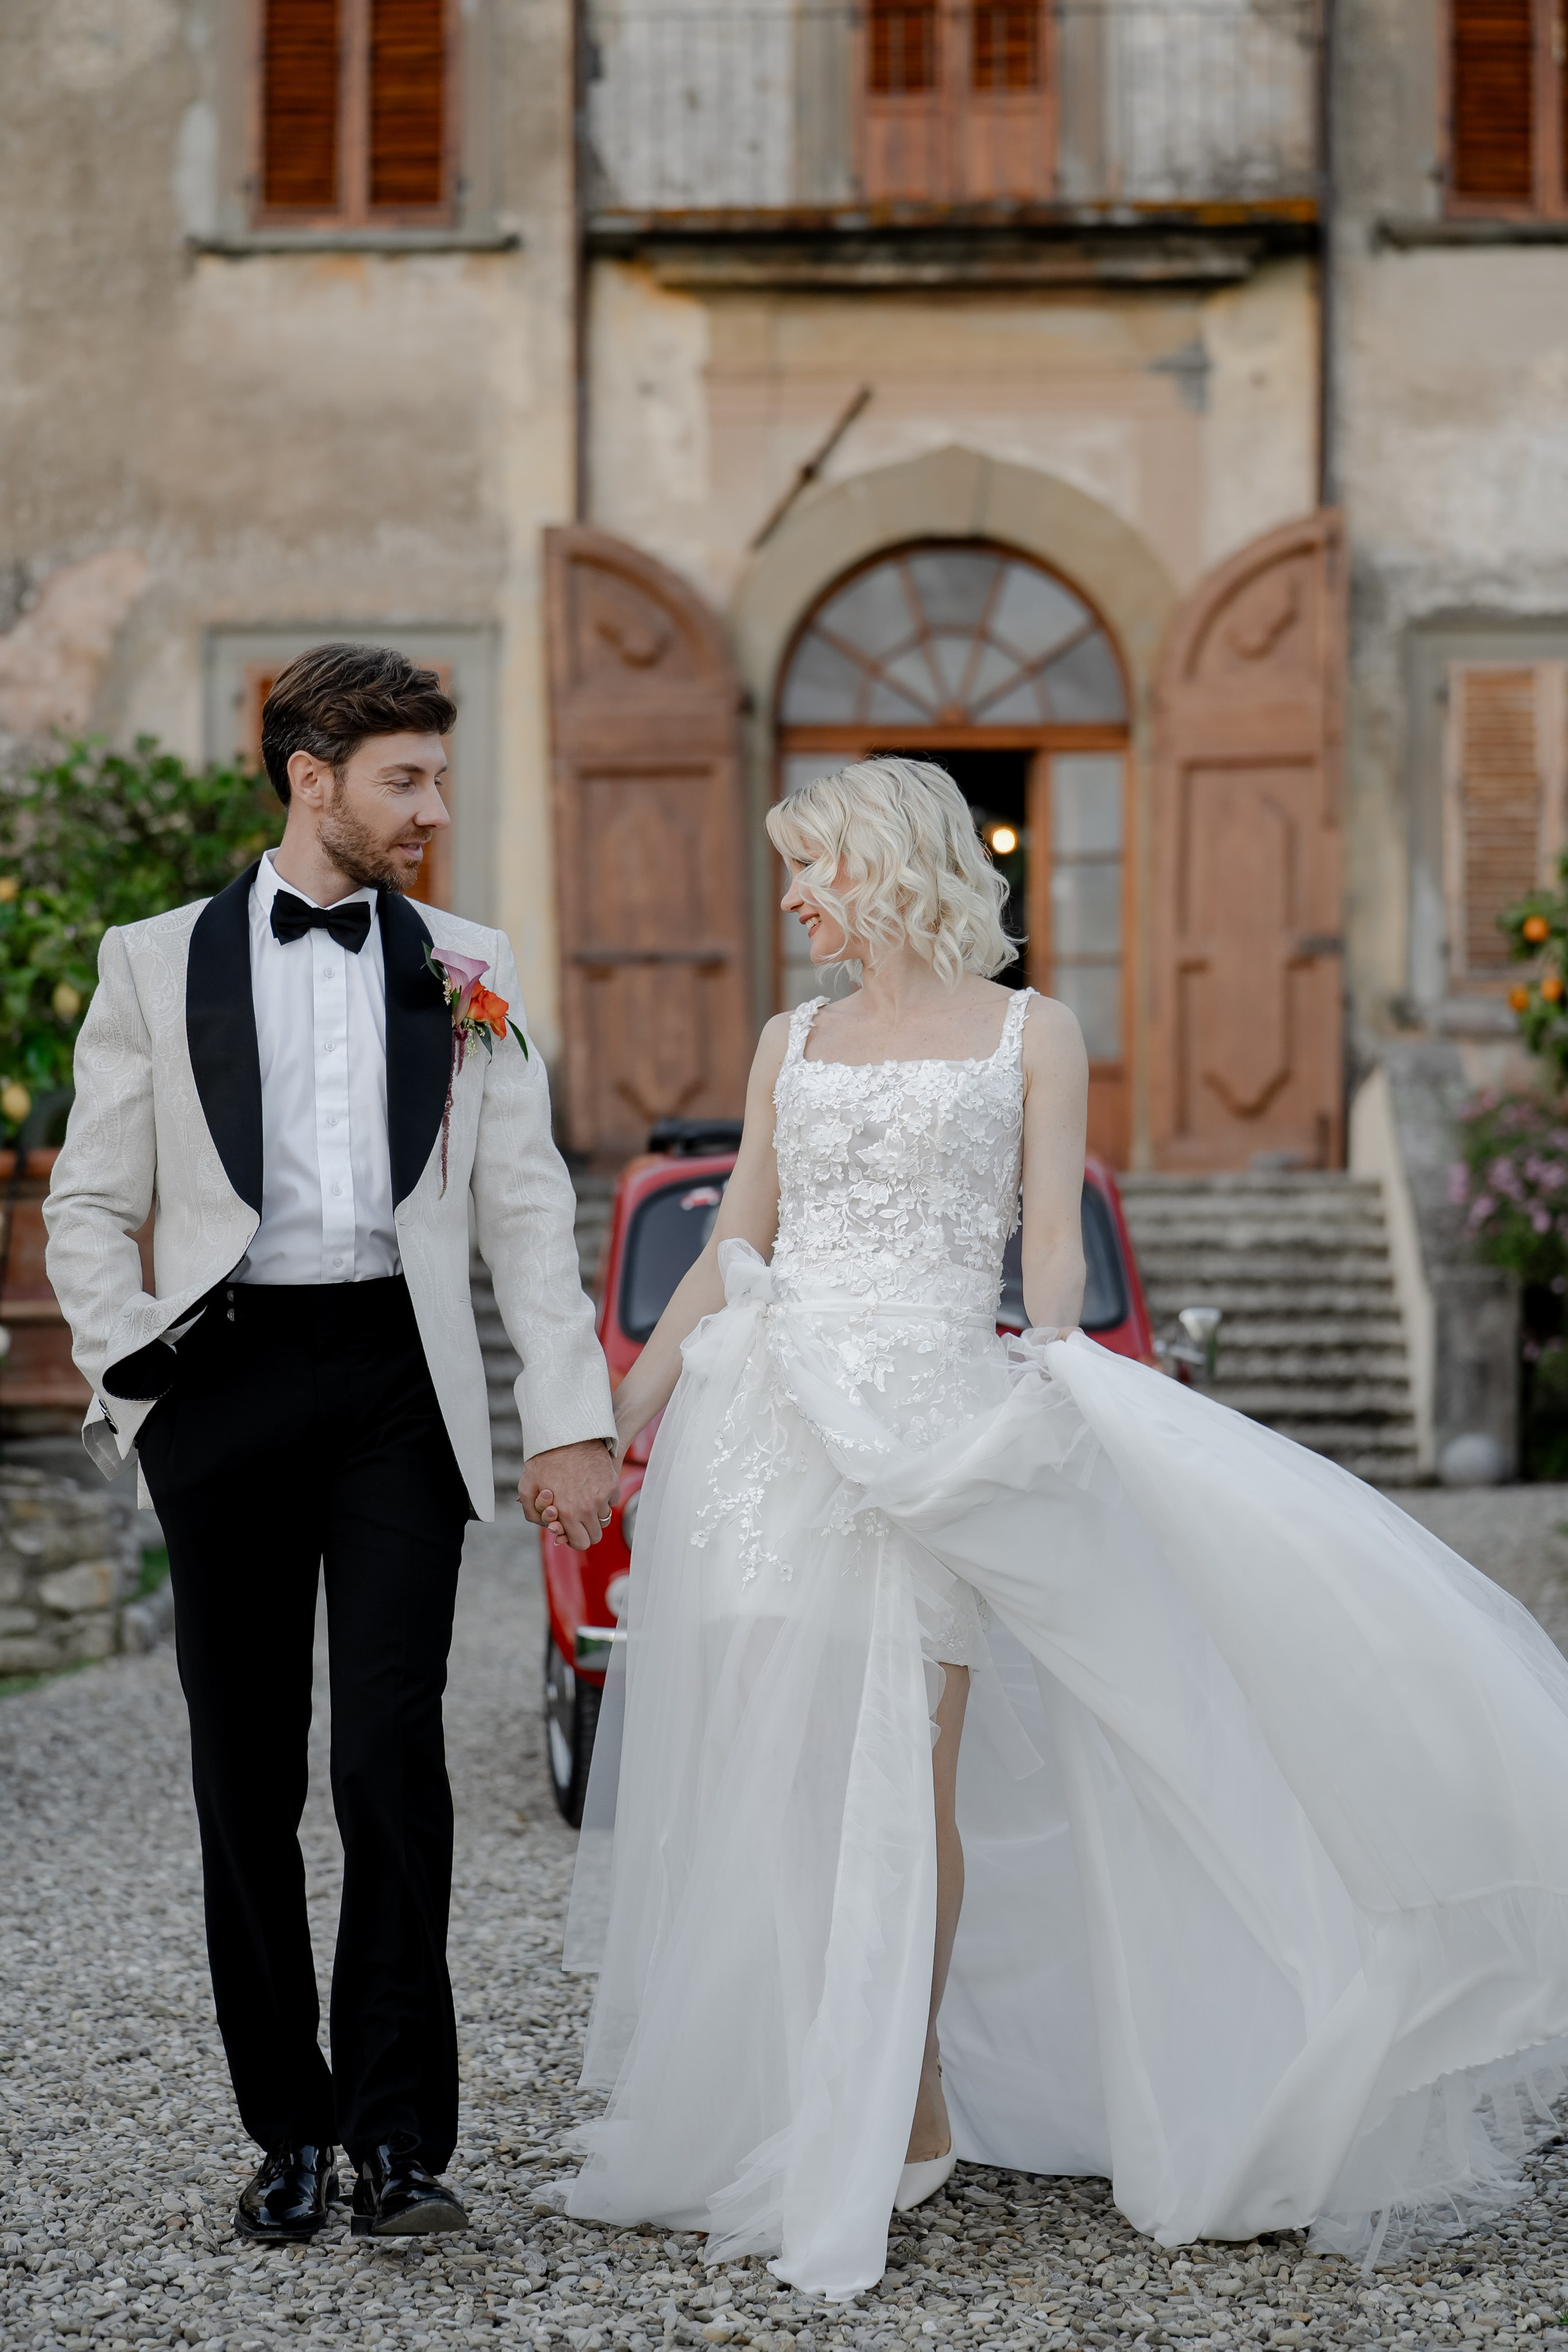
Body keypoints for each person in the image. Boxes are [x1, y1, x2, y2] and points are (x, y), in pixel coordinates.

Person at [561, 755, 1568, 2302]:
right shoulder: (786, 1041)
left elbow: (1046, 1258)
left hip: (935, 1435)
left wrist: (1056, 1384)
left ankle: (904, 2092)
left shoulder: (1035, 1033)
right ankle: (785, 2080)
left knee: (909, 1771)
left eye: (810, 867)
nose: (792, 899)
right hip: (767, 1438)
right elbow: (735, 1238)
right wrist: (620, 1413)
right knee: (776, 1769)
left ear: (885, 865)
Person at [44, 643, 618, 2244]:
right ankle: (285, 2132)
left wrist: (569, 1418)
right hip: (219, 1381)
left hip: (391, 1387)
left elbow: (525, 1210)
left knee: (388, 1764)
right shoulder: (153, 960)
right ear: (313, 780)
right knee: (245, 1777)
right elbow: (88, 1202)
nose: (432, 809)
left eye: (438, 777)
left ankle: (396, 2140)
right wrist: (135, 1376)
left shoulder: (471, 963)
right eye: (403, 780)